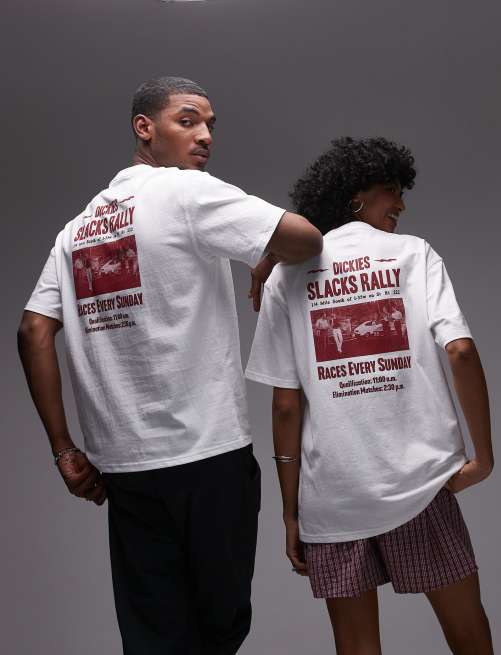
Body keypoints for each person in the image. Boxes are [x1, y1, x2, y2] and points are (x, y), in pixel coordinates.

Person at [17, 76, 322, 655]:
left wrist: (64, 448)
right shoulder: (187, 192)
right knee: (218, 628)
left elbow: (34, 331)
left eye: (209, 124)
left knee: (155, 635)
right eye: (187, 120)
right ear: (145, 128)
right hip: (207, 454)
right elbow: (305, 239)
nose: (205, 136)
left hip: (125, 467)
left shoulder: (76, 230)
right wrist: (268, 254)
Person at [245, 137, 494, 654]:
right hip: (420, 485)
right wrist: (483, 458)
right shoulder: (414, 254)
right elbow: (462, 350)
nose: (401, 204)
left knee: (356, 648)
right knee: (471, 639)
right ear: (355, 194)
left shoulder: (285, 277)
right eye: (391, 190)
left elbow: (286, 406)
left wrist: (291, 513)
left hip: (333, 499)